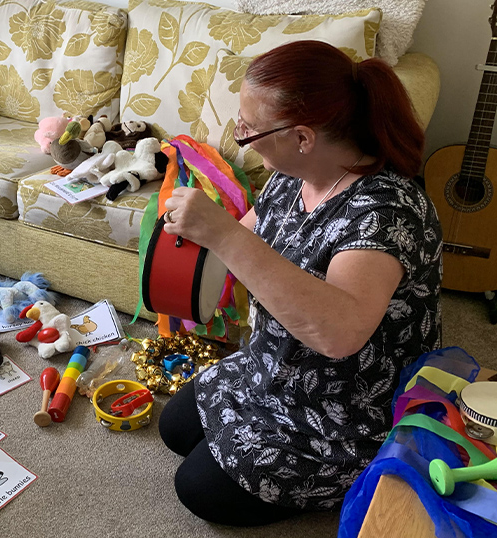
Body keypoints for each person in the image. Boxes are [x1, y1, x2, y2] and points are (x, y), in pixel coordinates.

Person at [151, 40, 442, 527]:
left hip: (349, 405)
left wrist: (220, 232)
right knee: (176, 427)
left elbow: (340, 334)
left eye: (248, 127)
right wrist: (199, 239)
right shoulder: (293, 174)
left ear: (303, 136)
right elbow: (245, 245)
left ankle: (366, 476)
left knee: (198, 489)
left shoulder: (386, 214)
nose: (240, 134)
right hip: (275, 362)